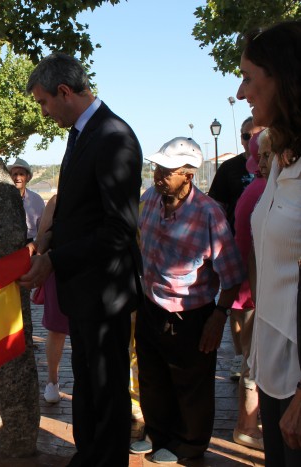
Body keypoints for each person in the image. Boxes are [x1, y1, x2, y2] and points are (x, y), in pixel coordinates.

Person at [20, 53, 143, 467]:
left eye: (44, 102)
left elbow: (119, 229)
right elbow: (76, 209)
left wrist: (55, 259)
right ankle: (88, 454)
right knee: (89, 380)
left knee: (106, 388)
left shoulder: (113, 137)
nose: (43, 111)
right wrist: (47, 242)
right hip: (85, 290)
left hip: (105, 291)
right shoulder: (81, 133)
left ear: (65, 92)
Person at [131, 137, 244, 463]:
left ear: (188, 176)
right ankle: (158, 434)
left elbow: (232, 275)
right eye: (157, 168)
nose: (158, 175)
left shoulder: (210, 214)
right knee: (152, 378)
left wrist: (219, 316)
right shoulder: (150, 199)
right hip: (151, 306)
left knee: (190, 384)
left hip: (190, 315)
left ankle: (189, 445)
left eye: (167, 170)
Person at [238, 21, 301, 466]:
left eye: (248, 78)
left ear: (282, 78)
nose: (242, 93)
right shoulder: (282, 162)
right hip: (274, 369)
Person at [208, 116, 265, 381]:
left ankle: (254, 358)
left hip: (266, 247)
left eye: (254, 136)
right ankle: (241, 357)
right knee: (238, 304)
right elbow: (215, 207)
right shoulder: (229, 168)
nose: (249, 141)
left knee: (259, 306)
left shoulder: (275, 165)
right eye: (245, 136)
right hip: (236, 246)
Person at [230, 130, 269, 451]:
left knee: (251, 360)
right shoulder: (265, 192)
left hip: (246, 289)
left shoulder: (253, 189)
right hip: (256, 293)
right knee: (254, 363)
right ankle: (247, 427)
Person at [32, 195, 69, 403]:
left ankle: (53, 383)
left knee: (59, 331)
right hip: (57, 268)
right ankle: (52, 381)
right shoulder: (56, 201)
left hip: (70, 268)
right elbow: (42, 237)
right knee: (56, 330)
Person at [8, 158, 45, 243]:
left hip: (30, 245)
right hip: (9, 244)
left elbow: (42, 229)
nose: (18, 177)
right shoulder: (3, 199)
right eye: (15, 174)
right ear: (10, 177)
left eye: (21, 174)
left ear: (28, 177)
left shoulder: (37, 200)